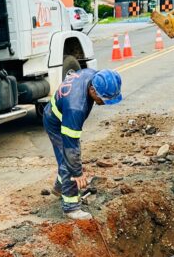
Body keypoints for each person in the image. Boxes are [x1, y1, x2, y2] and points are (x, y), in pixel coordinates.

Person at [44, 68, 122, 220]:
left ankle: (59, 188)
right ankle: (71, 208)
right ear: (93, 90)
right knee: (69, 161)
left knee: (67, 160)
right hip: (55, 122)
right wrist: (77, 173)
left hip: (60, 114)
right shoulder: (76, 107)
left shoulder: (93, 75)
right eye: (103, 99)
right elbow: (70, 146)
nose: (104, 103)